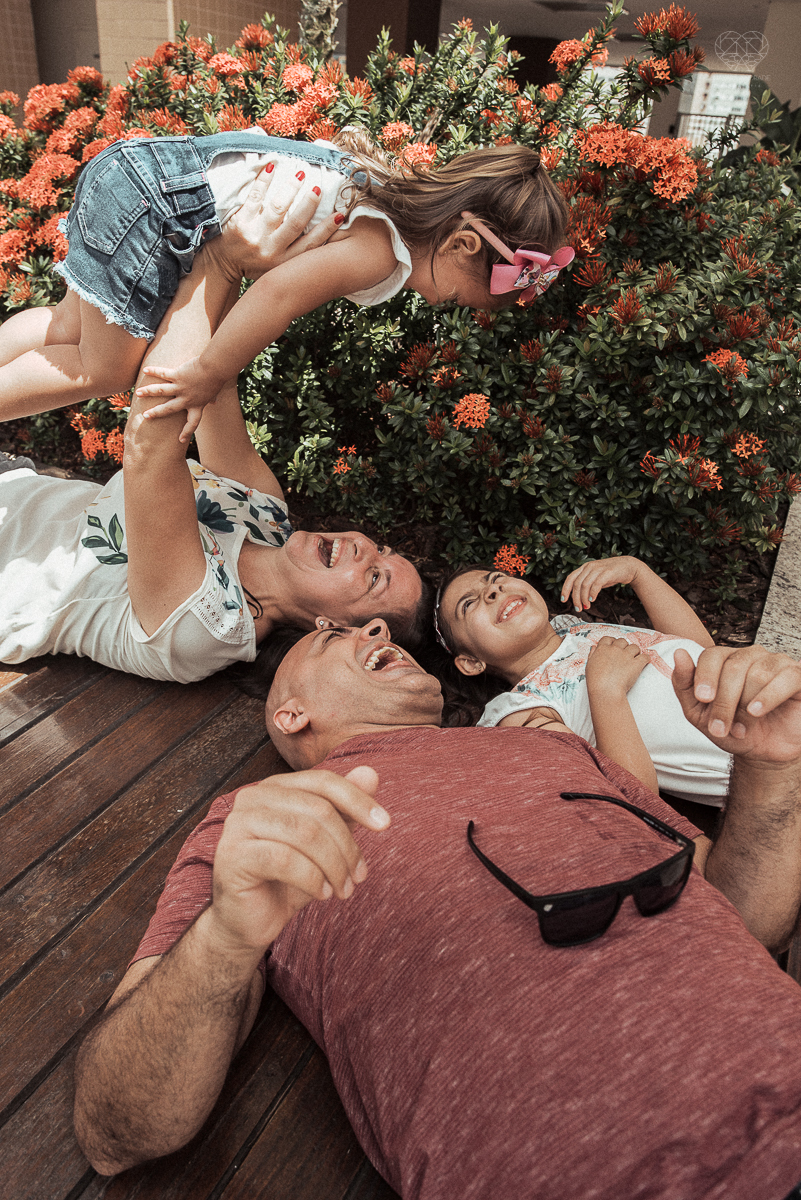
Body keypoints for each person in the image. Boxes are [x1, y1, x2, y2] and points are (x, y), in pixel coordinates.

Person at [74, 620, 801, 1200]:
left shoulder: (558, 750)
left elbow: (746, 918)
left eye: (374, 629)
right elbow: (115, 1134)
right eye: (336, 638)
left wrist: (771, 770)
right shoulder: (263, 822)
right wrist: (225, 939)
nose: (376, 631)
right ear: (291, 714)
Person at [0, 177, 427, 682]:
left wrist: (222, 263)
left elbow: (150, 443)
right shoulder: (266, 514)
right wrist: (236, 230)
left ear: (334, 626)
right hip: (12, 484)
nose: (364, 547)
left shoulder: (211, 628)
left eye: (373, 576)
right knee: (73, 329)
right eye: (383, 549)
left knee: (104, 361)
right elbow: (213, 384)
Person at [0, 130, 572, 442]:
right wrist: (208, 373)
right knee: (104, 370)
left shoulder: (382, 193)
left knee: (67, 326)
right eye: (468, 297)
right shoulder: (380, 250)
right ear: (463, 245)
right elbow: (277, 295)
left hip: (140, 172)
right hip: (158, 207)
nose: (457, 307)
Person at [433, 553, 732, 803]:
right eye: (468, 604)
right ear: (471, 662)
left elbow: (703, 653)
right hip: (745, 764)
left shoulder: (574, 631)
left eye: (496, 578)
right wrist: (606, 691)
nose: (493, 591)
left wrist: (638, 573)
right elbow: (638, 806)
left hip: (740, 688)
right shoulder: (524, 709)